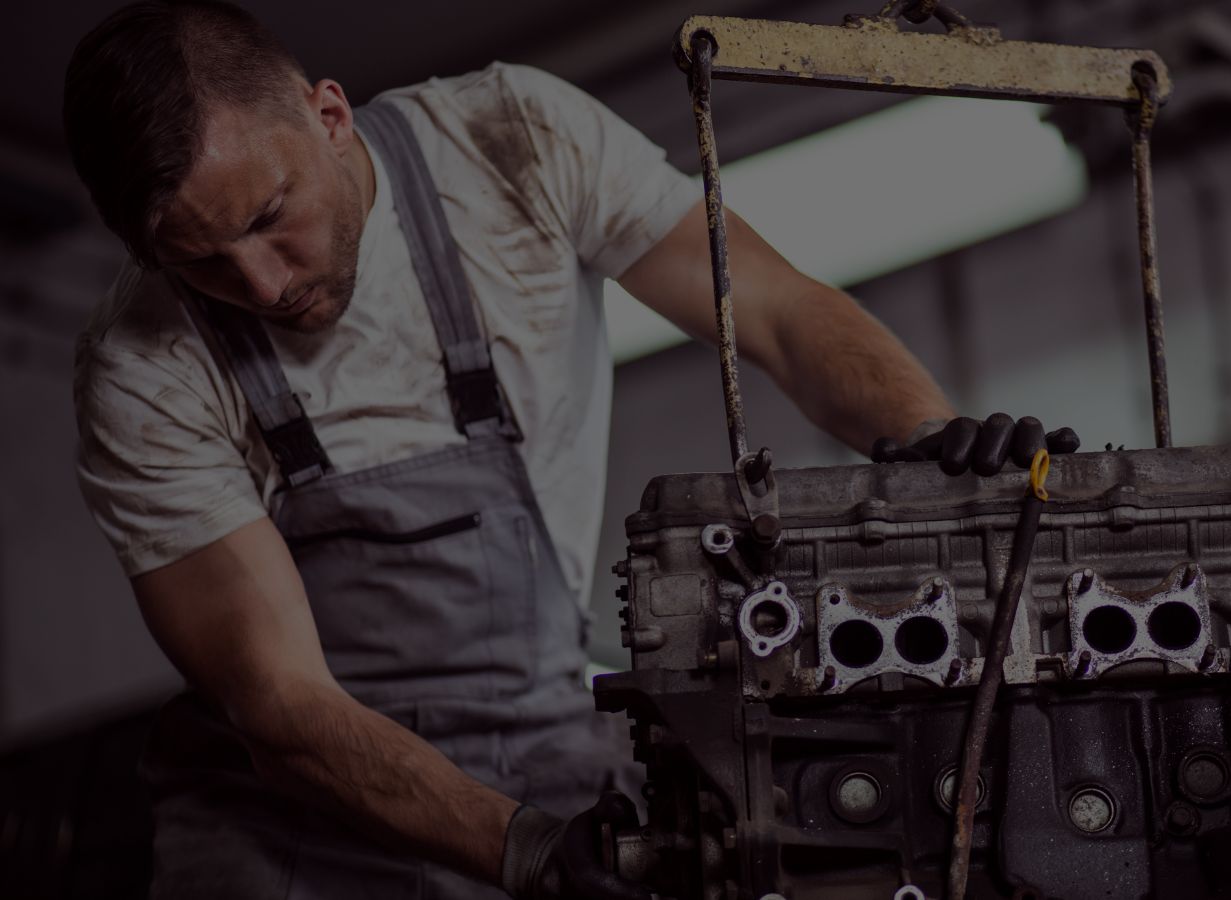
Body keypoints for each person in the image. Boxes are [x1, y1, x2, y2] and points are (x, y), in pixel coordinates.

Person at [63, 2, 1076, 897]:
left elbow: (769, 309)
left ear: (329, 115)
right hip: (287, 826)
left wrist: (925, 434)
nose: (261, 281)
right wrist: (524, 853)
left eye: (268, 218)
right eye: (198, 260)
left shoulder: (511, 140)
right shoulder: (141, 366)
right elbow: (281, 707)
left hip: (547, 749)